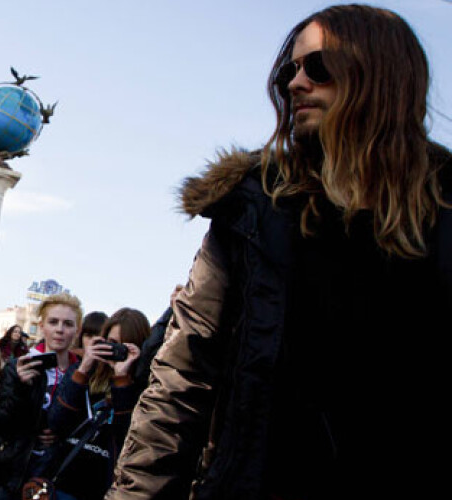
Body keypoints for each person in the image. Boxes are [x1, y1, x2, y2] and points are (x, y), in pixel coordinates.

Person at [111, 6, 452, 499]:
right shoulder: (253, 207)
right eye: (289, 70)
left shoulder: (444, 205)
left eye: (319, 66)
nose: (296, 83)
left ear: (380, 74)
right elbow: (181, 382)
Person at [0, 293, 82, 499]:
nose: (60, 329)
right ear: (42, 326)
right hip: (13, 473)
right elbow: (2, 424)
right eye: (53, 322)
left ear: (77, 330)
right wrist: (21, 388)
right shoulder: (18, 365)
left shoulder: (82, 373)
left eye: (68, 324)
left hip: (54, 476)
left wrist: (61, 435)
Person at [46, 308, 150, 500]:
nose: (115, 351)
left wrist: (122, 379)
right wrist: (84, 367)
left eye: (123, 346)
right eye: (111, 343)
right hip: (61, 481)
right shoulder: (84, 372)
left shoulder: (142, 388)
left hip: (103, 488)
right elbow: (56, 422)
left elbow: (127, 438)